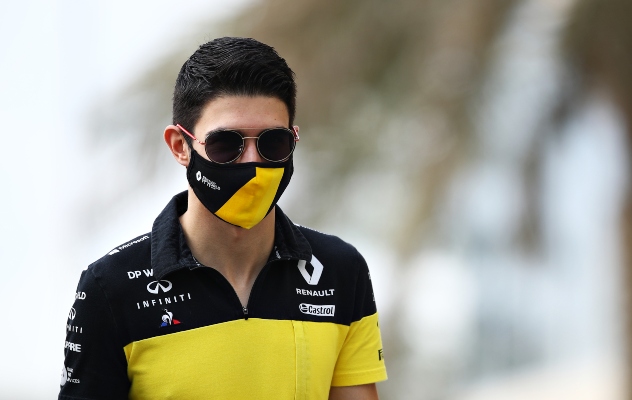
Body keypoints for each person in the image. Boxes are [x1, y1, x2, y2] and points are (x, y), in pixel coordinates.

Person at [60, 37, 387, 400]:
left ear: (293, 140)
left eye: (272, 143)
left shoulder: (342, 271)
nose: (252, 162)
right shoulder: (110, 288)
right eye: (226, 144)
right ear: (180, 146)